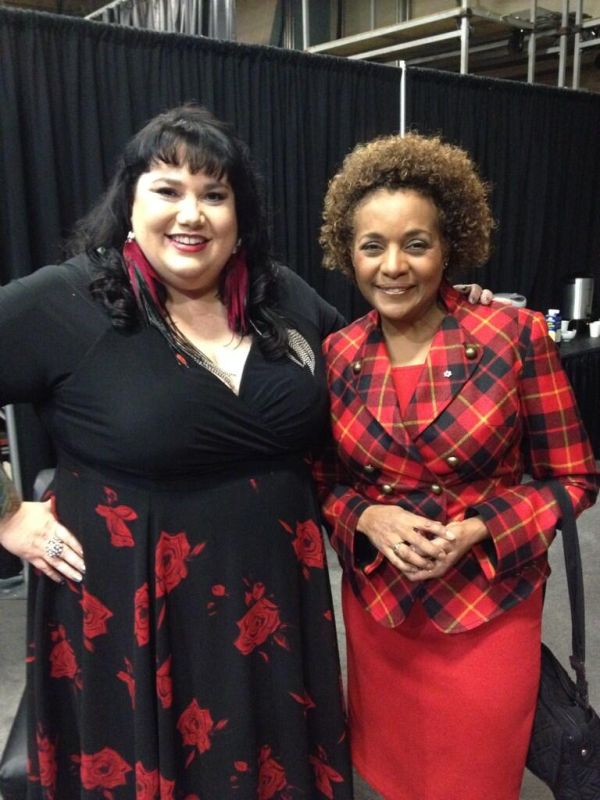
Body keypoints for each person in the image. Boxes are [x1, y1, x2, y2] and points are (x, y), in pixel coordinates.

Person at [0, 105, 491, 799]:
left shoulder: (279, 295)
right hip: (137, 610)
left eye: (215, 194)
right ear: (129, 202)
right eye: (167, 190)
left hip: (275, 603)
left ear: (240, 215)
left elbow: (371, 356)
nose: (191, 214)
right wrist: (7, 514)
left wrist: (451, 309)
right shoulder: (70, 301)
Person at [316, 132, 600, 800]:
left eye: (416, 244)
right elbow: (324, 483)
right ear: (347, 252)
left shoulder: (513, 338)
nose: (393, 266)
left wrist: (480, 527)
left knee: (475, 776)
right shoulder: (338, 352)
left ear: (449, 248)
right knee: (394, 772)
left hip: (488, 609)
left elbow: (576, 477)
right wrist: (368, 518)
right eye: (372, 246)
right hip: (382, 612)